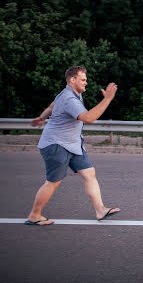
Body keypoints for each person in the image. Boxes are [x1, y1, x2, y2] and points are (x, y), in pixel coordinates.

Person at [25, 66, 121, 226]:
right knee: (53, 182)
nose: (86, 82)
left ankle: (100, 210)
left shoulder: (68, 94)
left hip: (73, 143)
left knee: (89, 173)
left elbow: (51, 106)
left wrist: (41, 118)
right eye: (83, 79)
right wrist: (108, 99)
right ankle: (34, 215)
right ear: (72, 80)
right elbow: (89, 118)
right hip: (56, 144)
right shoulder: (69, 99)